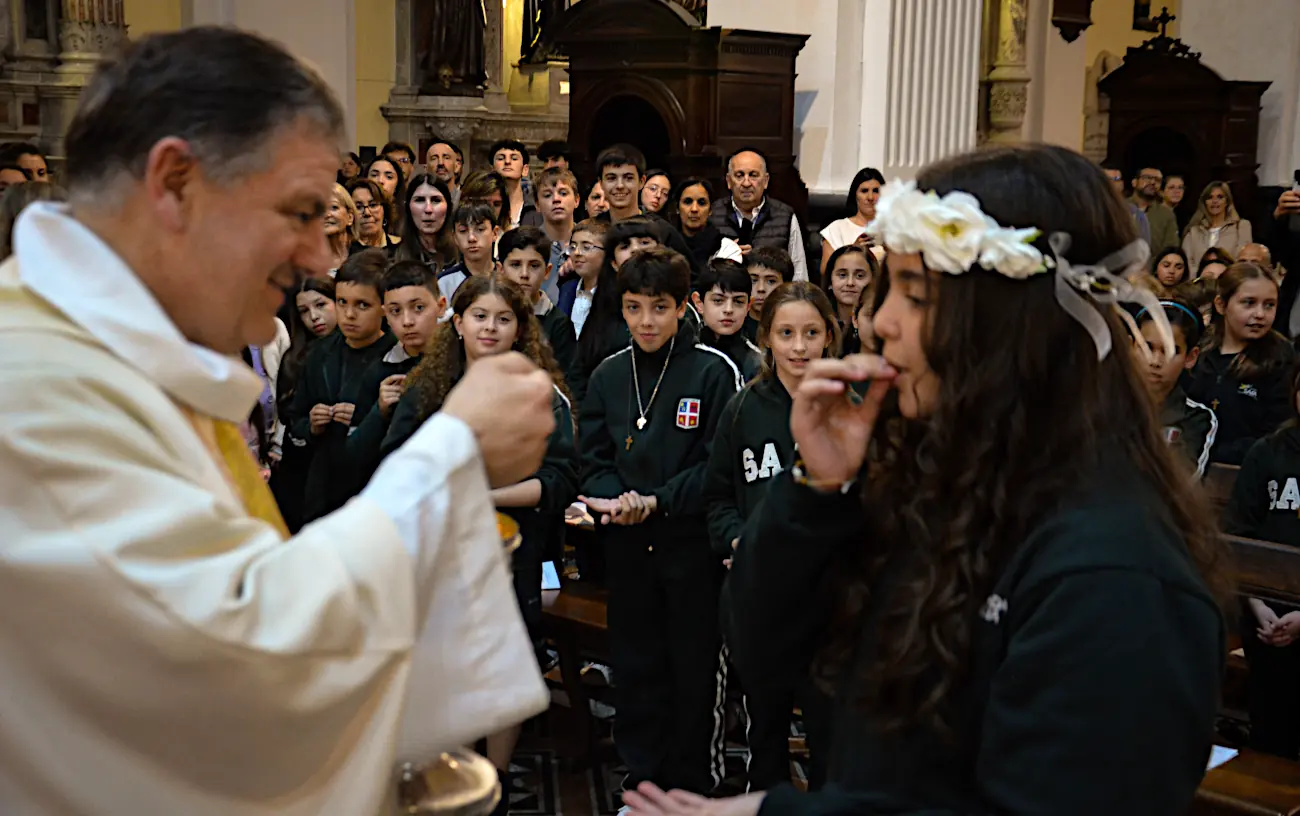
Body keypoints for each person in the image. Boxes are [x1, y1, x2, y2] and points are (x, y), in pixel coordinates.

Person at [0, 27, 555, 815]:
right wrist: (451, 451)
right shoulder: (35, 389)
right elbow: (237, 667)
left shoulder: (135, 355)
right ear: (176, 182)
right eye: (298, 212)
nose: (315, 256)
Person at [624, 144, 1226, 816]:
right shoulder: (927, 475)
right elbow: (763, 654)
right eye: (889, 289)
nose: (880, 323)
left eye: (915, 295)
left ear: (1012, 322)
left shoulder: (1115, 568)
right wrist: (814, 493)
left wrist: (777, 814)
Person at [383, 274, 579, 804]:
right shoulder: (429, 386)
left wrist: (485, 495)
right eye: (480, 317)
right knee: (443, 662)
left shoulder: (540, 393)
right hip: (438, 550)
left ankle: (492, 780)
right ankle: (450, 772)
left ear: (520, 329)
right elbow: (396, 460)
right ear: (459, 322)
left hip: (512, 551)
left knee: (501, 662)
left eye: (503, 318)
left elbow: (560, 480)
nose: (490, 328)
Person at [578, 247, 743, 800]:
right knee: (637, 670)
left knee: (692, 674)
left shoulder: (712, 370)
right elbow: (594, 457)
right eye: (633, 308)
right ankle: (643, 785)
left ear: (682, 308)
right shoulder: (607, 374)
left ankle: (695, 787)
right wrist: (613, 498)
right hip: (627, 547)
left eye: (659, 308)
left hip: (690, 549)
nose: (646, 321)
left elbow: (718, 466)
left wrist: (659, 501)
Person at [702, 281, 839, 792]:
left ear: (830, 334)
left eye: (810, 333)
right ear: (767, 338)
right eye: (786, 333)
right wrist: (735, 539)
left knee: (830, 728)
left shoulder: (850, 404)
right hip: (764, 598)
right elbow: (717, 495)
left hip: (832, 598)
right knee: (767, 729)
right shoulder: (743, 410)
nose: (799, 347)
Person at [288, 250, 397, 522]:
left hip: (375, 488)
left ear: (384, 307)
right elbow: (296, 417)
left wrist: (366, 417)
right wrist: (311, 424)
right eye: (341, 302)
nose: (349, 314)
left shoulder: (397, 355)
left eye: (362, 305)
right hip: (324, 489)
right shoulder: (320, 352)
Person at [1225, 365, 1300, 761]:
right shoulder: (1268, 452)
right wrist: (1257, 605)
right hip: (1267, 612)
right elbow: (1239, 534)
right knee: (1272, 722)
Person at [340, 261, 447, 492]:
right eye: (395, 311)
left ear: (440, 306)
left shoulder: (461, 359)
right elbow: (351, 457)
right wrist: (379, 412)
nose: (407, 321)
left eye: (418, 308)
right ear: (385, 315)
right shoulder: (380, 371)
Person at [1186, 262, 1294, 465]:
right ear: (1221, 305)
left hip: (1248, 471)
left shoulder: (1281, 358)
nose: (1260, 314)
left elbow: (1279, 430)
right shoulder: (1198, 350)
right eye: (1249, 302)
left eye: (1269, 305)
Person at [571, 216, 667, 403]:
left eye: (644, 242)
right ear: (614, 263)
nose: (635, 250)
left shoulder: (680, 308)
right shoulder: (601, 309)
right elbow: (579, 376)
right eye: (625, 246)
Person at [269, 277, 338, 533]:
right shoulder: (295, 358)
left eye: (321, 305)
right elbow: (290, 419)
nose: (315, 317)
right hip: (304, 468)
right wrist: (309, 425)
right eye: (304, 311)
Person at [1134, 299, 1217, 479]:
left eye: (1170, 351)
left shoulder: (1197, 419)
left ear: (1190, 357)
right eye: (1146, 347)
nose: (1155, 361)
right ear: (1130, 347)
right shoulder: (1102, 404)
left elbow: (1179, 484)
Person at [710, 148, 808, 281]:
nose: (746, 183)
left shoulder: (785, 216)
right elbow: (701, 268)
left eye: (753, 175)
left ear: (766, 180)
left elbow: (799, 273)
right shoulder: (712, 214)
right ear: (728, 181)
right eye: (739, 175)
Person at [499, 225, 578, 379]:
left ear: (547, 271)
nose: (524, 274)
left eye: (534, 266)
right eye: (515, 265)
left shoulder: (559, 324)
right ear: (500, 270)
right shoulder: (491, 319)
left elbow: (566, 381)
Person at [693, 259, 762, 381]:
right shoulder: (681, 352)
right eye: (718, 301)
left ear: (748, 306)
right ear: (699, 303)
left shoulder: (757, 365)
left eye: (738, 301)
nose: (728, 310)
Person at [820, 167, 884, 281]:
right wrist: (854, 251)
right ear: (855, 195)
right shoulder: (836, 229)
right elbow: (826, 271)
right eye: (864, 191)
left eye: (876, 191)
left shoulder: (894, 229)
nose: (870, 197)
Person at [672, 177, 743, 270]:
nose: (694, 209)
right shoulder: (666, 245)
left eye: (701, 203)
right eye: (687, 202)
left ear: (710, 210)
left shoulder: (725, 248)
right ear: (677, 208)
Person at [438, 201, 502, 304]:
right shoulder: (444, 282)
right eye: (463, 231)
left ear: (495, 233)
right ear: (454, 237)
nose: (471, 238)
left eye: (480, 229)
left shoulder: (508, 275)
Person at [394, 173, 458, 270]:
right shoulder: (392, 256)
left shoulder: (463, 253)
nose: (428, 209)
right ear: (408, 207)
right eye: (419, 200)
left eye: (436, 200)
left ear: (448, 207)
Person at [1183, 181, 1252, 270]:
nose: (1214, 201)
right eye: (1210, 197)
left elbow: (1243, 260)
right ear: (1205, 203)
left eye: (1220, 197)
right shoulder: (1193, 231)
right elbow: (1187, 263)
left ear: (1227, 201)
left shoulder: (1241, 227)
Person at [557, 217, 607, 336]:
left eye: (586, 247)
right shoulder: (567, 289)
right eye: (573, 247)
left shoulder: (614, 294)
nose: (577, 253)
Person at [824, 244, 876, 350]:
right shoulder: (820, 322)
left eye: (860, 276)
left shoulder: (879, 325)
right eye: (842, 275)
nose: (850, 283)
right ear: (830, 281)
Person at [742, 246, 795, 344]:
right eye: (753, 280)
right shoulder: (734, 327)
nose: (761, 288)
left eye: (771, 281)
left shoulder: (795, 326)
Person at [1130, 166, 1179, 255]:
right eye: (1147, 178)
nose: (1152, 182)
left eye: (1157, 180)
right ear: (1134, 182)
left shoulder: (1166, 214)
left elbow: (1171, 248)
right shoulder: (1119, 208)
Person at [490, 138, 534, 228]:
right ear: (492, 169)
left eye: (514, 158)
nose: (507, 162)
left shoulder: (536, 206)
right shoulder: (485, 204)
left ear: (525, 170)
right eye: (500, 158)